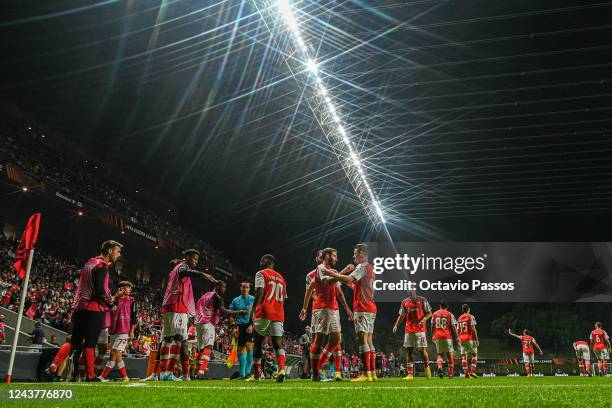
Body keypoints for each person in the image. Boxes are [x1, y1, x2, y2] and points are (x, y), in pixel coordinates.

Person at [60, 240, 122, 382]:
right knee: (89, 344)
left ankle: (53, 366)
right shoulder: (102, 266)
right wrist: (111, 304)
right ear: (110, 251)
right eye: (118, 252)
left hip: (80, 306)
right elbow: (99, 289)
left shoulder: (90, 262)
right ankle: (90, 375)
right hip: (93, 308)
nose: (119, 255)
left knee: (74, 342)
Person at [320, 243, 376, 382]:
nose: (353, 255)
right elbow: (353, 284)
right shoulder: (371, 268)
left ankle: (365, 373)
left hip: (362, 307)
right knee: (369, 340)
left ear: (362, 254)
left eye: (355, 253)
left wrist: (334, 274)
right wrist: (343, 277)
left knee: (362, 339)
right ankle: (373, 373)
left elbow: (350, 279)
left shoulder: (362, 266)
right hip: (371, 307)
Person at [160, 249, 217, 381]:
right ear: (186, 257)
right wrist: (203, 274)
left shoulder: (176, 269)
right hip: (177, 306)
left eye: (197, 260)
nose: (195, 262)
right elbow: (184, 271)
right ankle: (169, 373)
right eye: (194, 259)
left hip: (169, 306)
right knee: (179, 339)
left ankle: (164, 373)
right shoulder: (182, 266)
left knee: (168, 339)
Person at [300, 248, 353, 381]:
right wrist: (343, 272)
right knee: (318, 341)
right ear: (327, 256)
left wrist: (347, 309)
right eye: (335, 256)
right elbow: (327, 282)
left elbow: (338, 292)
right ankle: (316, 374)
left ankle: (317, 367)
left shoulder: (333, 272)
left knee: (336, 340)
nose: (337, 259)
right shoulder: (320, 268)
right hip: (322, 309)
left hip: (333, 309)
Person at [194, 280, 245, 379]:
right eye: (223, 287)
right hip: (208, 323)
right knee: (208, 347)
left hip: (199, 323)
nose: (224, 289)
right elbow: (223, 311)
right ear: (218, 286)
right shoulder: (217, 296)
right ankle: (200, 372)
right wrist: (239, 312)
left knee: (200, 350)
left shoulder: (206, 295)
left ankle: (195, 372)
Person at [249, 254, 287, 382]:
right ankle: (281, 369)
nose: (260, 263)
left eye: (261, 261)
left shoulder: (261, 273)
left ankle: (256, 375)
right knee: (277, 343)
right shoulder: (282, 278)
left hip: (264, 313)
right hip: (278, 314)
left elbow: (259, 291)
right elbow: (284, 298)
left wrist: (253, 310)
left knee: (258, 343)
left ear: (265, 262)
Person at [98, 281, 137, 382]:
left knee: (116, 352)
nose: (130, 290)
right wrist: (116, 298)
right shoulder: (112, 299)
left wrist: (132, 331)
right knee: (113, 355)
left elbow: (134, 318)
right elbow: (110, 310)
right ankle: (102, 377)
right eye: (128, 287)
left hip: (124, 330)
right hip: (113, 330)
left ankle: (125, 377)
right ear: (121, 289)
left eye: (130, 288)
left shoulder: (132, 300)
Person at [393, 289, 432, 380]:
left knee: (422, 350)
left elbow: (430, 313)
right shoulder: (405, 302)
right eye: (408, 291)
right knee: (409, 351)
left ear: (415, 290)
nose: (410, 292)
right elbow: (401, 315)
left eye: (412, 290)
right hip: (409, 330)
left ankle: (427, 370)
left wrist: (425, 319)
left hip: (420, 330)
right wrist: (396, 325)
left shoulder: (423, 300)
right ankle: (410, 374)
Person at [229, 281, 255, 379]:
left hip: (250, 325)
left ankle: (248, 372)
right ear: (240, 288)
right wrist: (234, 327)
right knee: (240, 351)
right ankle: (243, 374)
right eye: (243, 287)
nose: (245, 289)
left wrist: (252, 325)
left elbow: (257, 313)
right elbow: (231, 314)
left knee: (249, 347)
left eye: (247, 287)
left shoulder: (253, 299)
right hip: (239, 326)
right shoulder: (235, 301)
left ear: (249, 289)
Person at [431, 300, 458, 379]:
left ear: (440, 305)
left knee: (440, 354)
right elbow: (453, 327)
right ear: (447, 307)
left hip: (438, 336)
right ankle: (450, 375)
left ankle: (440, 367)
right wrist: (457, 337)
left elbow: (432, 326)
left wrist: (433, 335)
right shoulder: (450, 314)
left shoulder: (435, 314)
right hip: (447, 337)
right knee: (449, 356)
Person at [457, 304, 479, 378]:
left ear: (463, 310)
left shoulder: (459, 318)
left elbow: (458, 330)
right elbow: (473, 328)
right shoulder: (470, 316)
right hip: (469, 338)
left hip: (461, 339)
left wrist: (458, 340)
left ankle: (466, 374)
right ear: (469, 309)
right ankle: (472, 371)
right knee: (474, 354)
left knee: (464, 355)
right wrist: (476, 339)